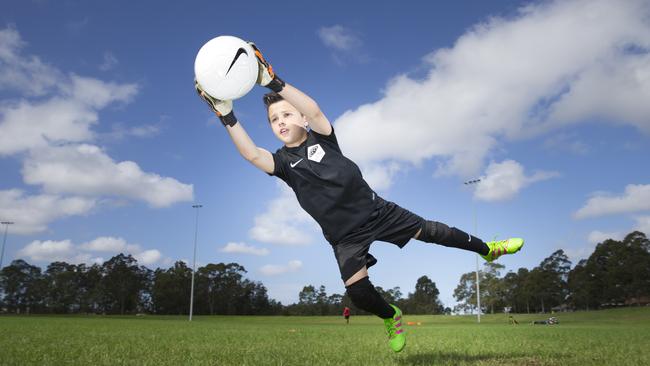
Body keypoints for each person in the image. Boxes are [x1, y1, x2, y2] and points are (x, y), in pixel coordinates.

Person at [195, 42, 524, 353]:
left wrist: (273, 82)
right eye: (274, 120)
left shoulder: (323, 138)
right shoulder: (282, 163)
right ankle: (391, 317)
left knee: (435, 232)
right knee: (359, 293)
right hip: (345, 236)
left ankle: (489, 250)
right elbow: (252, 154)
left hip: (377, 212)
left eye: (286, 115)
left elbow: (314, 109)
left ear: (303, 120)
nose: (280, 121)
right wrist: (227, 116)